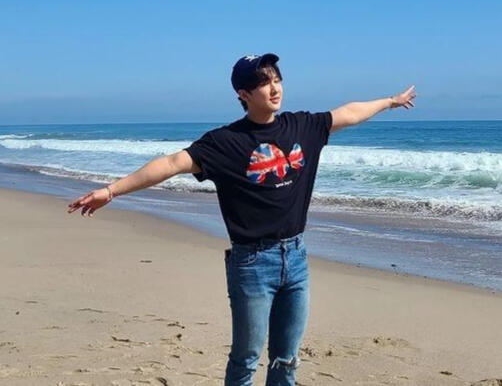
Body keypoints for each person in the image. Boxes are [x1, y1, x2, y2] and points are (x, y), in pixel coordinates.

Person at [67, 54, 416, 385]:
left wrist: (390, 101)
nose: (274, 88)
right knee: (246, 358)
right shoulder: (225, 142)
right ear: (244, 94)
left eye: (277, 80)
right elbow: (171, 163)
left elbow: (348, 113)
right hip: (252, 264)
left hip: (296, 258)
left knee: (287, 358)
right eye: (264, 83)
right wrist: (111, 191)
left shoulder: (302, 127)